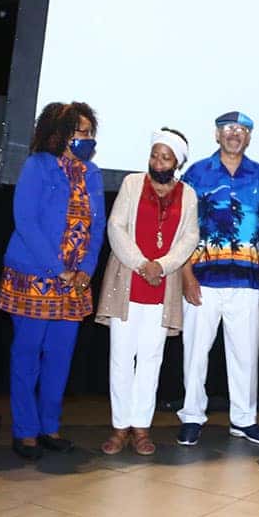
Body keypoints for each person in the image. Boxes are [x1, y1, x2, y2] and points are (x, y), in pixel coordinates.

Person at [0, 102, 105, 460]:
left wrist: (86, 270)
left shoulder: (93, 174)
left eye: (89, 131)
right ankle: (25, 430)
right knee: (28, 354)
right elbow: (25, 221)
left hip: (74, 283)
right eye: (79, 131)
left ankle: (49, 427)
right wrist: (58, 268)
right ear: (58, 133)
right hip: (35, 276)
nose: (86, 138)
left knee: (59, 356)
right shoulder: (38, 166)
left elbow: (97, 226)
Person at [95, 129, 199, 456]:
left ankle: (141, 427)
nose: (157, 161)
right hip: (129, 281)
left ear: (177, 162)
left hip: (162, 287)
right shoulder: (131, 184)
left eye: (165, 157)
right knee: (121, 358)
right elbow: (116, 227)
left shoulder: (189, 195)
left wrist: (162, 266)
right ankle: (119, 426)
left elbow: (189, 238)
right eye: (155, 154)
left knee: (151, 360)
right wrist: (143, 264)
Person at [177, 111, 259, 446]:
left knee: (246, 354)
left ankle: (244, 420)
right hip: (202, 279)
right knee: (195, 353)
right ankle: (192, 416)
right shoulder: (196, 174)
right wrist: (186, 274)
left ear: (249, 137)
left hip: (247, 281)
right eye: (228, 129)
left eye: (242, 130)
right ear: (217, 134)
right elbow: (181, 226)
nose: (235, 134)